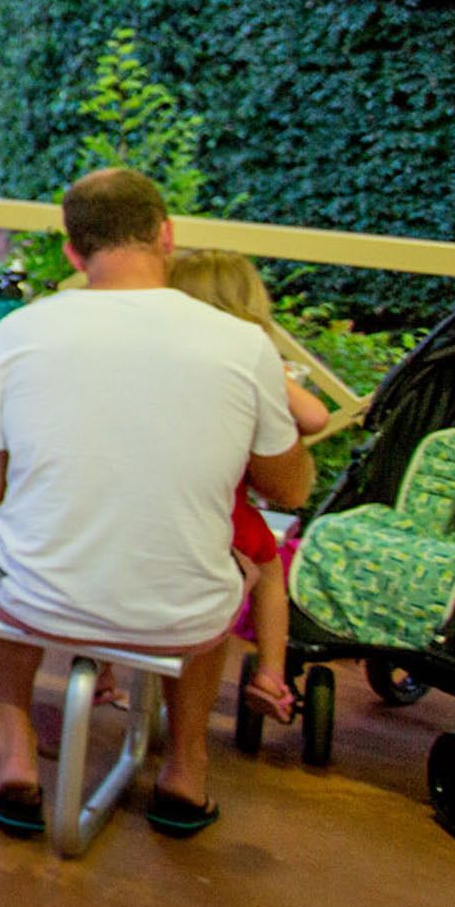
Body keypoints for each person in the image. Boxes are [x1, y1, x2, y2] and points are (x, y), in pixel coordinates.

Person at [0, 169, 313, 840]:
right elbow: (291, 490)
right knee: (217, 557)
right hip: (183, 616)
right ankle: (186, 766)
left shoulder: (21, 332)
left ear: (72, 253)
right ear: (166, 235)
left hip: (39, 599)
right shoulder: (244, 345)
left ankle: (15, 751)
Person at [167, 248, 333, 722]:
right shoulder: (248, 359)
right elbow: (316, 416)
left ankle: (108, 675)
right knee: (270, 569)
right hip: (220, 509)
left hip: (155, 503)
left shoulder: (163, 357)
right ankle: (271, 675)